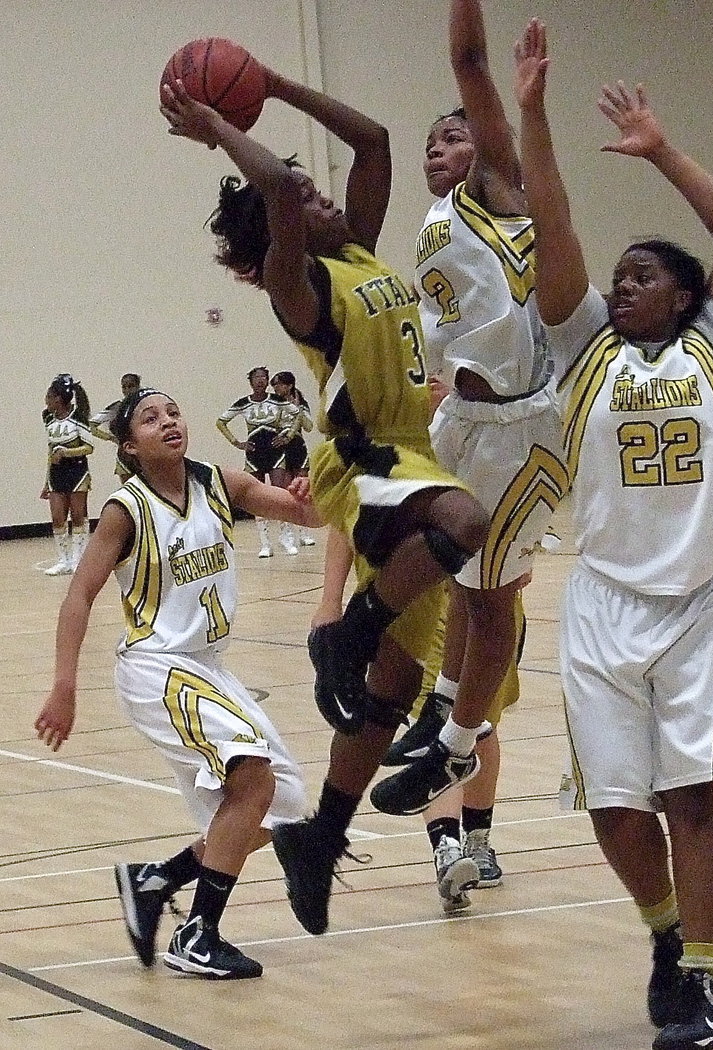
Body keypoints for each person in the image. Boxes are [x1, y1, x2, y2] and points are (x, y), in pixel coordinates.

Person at [162, 56, 490, 936]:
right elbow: (271, 181)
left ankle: (321, 839)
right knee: (467, 522)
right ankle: (344, 633)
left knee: (392, 689)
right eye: (306, 203)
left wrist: (271, 81)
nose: (323, 199)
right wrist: (225, 127)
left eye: (318, 194)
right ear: (281, 235)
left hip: (411, 455)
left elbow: (374, 139)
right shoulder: (298, 288)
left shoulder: (361, 252)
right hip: (368, 459)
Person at [517, 20, 713, 1049]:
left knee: (693, 795)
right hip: (609, 598)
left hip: (710, 597)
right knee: (616, 808)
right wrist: (531, 116)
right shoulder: (582, 351)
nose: (620, 287)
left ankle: (703, 980)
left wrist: (663, 149)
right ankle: (667, 933)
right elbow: (553, 219)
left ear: (686, 296)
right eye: (616, 279)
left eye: (641, 276)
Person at [372, 0, 569, 897]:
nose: (439, 153)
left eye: (453, 139)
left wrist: (486, 77)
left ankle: (453, 741)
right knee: (463, 582)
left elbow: (468, 61)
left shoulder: (505, 195)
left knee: (494, 599)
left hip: (529, 426)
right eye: (432, 147)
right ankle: (445, 723)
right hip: (464, 423)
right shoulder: (435, 223)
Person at [33, 388, 320, 979]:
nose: (168, 422)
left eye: (173, 412)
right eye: (150, 418)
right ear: (130, 445)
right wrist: (64, 685)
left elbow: (303, 514)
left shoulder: (222, 482)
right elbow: (79, 594)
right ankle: (198, 935)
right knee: (252, 772)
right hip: (155, 665)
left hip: (208, 667)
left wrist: (311, 496)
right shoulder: (125, 508)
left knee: (284, 805)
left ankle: (155, 880)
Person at [216, 366, 299, 557]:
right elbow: (221, 422)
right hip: (254, 455)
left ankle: (286, 538)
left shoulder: (277, 400)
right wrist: (237, 443)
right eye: (257, 377)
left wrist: (288, 436)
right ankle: (265, 543)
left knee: (281, 493)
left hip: (276, 452)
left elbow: (297, 414)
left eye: (264, 377)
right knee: (256, 497)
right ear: (251, 382)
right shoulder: (243, 403)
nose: (261, 380)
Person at [42, 374, 94, 576]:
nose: (46, 400)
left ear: (58, 398)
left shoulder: (78, 417)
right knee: (57, 518)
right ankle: (63, 560)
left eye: (49, 396)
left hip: (77, 472)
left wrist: (66, 452)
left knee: (78, 516)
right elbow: (50, 450)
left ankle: (78, 560)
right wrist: (46, 480)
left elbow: (89, 447)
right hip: (56, 474)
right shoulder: (47, 418)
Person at [270, 370, 319, 546]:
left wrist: (298, 410)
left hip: (298, 447)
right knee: (286, 489)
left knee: (302, 490)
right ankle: (286, 532)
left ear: (289, 385)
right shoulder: (274, 404)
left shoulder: (301, 402)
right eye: (274, 385)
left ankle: (304, 531)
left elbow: (309, 426)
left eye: (280, 384)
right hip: (280, 448)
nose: (276, 388)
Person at [90, 372, 142, 484]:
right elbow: (91, 425)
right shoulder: (116, 407)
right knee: (129, 492)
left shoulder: (147, 406)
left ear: (138, 386)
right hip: (124, 457)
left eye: (131, 386)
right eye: (124, 387)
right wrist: (110, 438)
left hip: (144, 453)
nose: (127, 390)